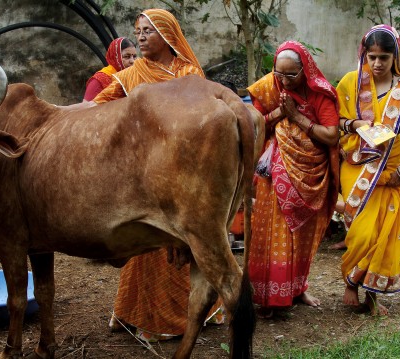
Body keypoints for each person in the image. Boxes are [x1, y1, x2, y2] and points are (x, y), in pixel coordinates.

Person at [93, 8, 224, 341]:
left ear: (167, 35)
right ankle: (137, 315)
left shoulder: (190, 72)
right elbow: (99, 105)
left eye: (148, 31)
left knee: (185, 239)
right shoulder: (133, 74)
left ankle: (175, 320)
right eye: (137, 31)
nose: (140, 36)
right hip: (145, 170)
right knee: (146, 245)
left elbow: (203, 118)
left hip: (183, 169)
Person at [246, 41, 340, 316]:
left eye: (291, 75)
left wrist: (297, 117)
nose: (284, 81)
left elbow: (331, 135)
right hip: (273, 172)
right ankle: (270, 296)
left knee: (301, 236)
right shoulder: (268, 88)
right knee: (273, 230)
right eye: (279, 74)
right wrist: (280, 113)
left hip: (311, 175)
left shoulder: (320, 94)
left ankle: (297, 289)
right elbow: (253, 124)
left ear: (305, 71)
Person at [336, 25, 400, 316]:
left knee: (385, 232)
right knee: (361, 231)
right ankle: (351, 281)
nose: (377, 63)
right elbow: (337, 121)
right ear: (365, 54)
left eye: (384, 57)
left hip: (393, 167)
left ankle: (372, 297)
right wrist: (356, 125)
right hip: (357, 166)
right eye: (372, 56)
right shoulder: (350, 83)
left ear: (395, 55)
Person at [83, 37, 136, 101]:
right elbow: (87, 108)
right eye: (127, 56)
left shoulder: (134, 78)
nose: (132, 61)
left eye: (134, 56)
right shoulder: (99, 80)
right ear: (115, 57)